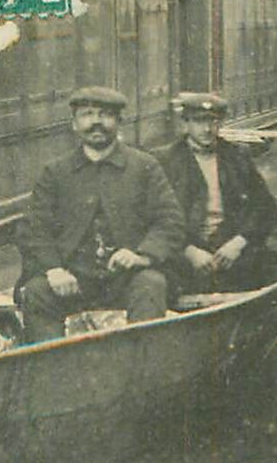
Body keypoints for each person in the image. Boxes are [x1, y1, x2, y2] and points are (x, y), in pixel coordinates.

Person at [15, 87, 185, 342]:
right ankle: (50, 372)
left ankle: (139, 368)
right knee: (38, 292)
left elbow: (170, 221)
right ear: (74, 124)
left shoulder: (144, 167)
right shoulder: (55, 172)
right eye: (87, 114)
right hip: (73, 278)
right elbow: (34, 228)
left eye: (105, 115)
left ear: (118, 122)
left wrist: (142, 255)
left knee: (152, 285)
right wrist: (53, 269)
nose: (96, 122)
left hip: (126, 278)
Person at [154, 93, 277, 293]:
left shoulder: (237, 156)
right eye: (199, 122)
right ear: (185, 125)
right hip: (184, 250)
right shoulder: (163, 161)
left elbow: (265, 207)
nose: (207, 129)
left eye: (213, 121)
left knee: (271, 272)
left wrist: (239, 242)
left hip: (230, 247)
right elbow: (153, 216)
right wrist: (188, 251)